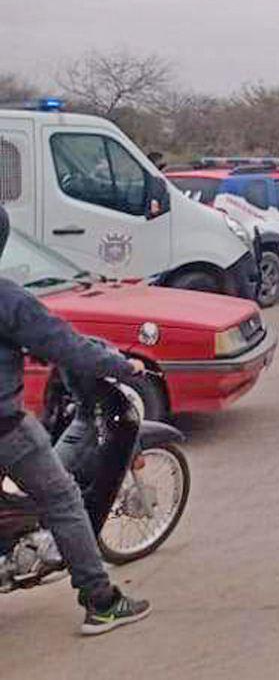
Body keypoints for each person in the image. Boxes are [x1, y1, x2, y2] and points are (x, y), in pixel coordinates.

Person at [0, 207, 153, 636]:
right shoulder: (9, 299)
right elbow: (67, 346)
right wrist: (121, 366)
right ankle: (101, 602)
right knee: (64, 501)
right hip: (6, 429)